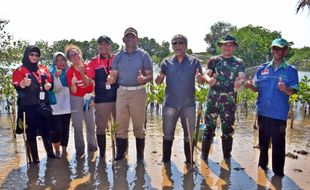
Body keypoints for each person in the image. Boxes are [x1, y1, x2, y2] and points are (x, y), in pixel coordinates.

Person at [245, 37, 299, 177]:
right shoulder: (262, 68)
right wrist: (250, 86)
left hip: (279, 114)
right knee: (262, 144)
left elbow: (293, 91)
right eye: (273, 48)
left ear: (285, 50)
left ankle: (278, 174)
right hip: (262, 113)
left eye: (279, 48)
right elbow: (256, 88)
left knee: (278, 147)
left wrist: (285, 89)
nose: (275, 51)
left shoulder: (290, 70)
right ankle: (262, 171)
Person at [155, 34, 204, 163]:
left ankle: (189, 162)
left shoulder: (194, 61)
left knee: (189, 136)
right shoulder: (166, 62)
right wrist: (159, 77)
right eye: (175, 43)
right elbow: (158, 82)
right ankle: (166, 162)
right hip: (170, 105)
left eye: (180, 43)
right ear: (172, 46)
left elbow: (201, 81)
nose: (177, 45)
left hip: (189, 105)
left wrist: (200, 78)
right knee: (168, 135)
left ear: (186, 46)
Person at [107, 27, 153, 162]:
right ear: (123, 39)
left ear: (137, 39)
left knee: (139, 127)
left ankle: (140, 157)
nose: (130, 39)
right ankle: (121, 155)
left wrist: (143, 79)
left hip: (138, 92)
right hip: (122, 92)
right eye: (128, 37)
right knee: (120, 125)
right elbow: (114, 75)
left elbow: (150, 75)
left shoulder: (144, 55)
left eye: (133, 37)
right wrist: (111, 79)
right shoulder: (118, 56)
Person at [201, 34, 245, 161]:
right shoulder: (213, 60)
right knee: (208, 126)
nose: (227, 47)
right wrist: (209, 80)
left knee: (228, 128)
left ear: (234, 47)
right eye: (225, 45)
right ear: (221, 46)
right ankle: (204, 156)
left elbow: (242, 77)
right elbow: (207, 73)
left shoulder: (238, 62)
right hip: (213, 97)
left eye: (230, 45)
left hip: (229, 99)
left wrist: (240, 82)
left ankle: (227, 157)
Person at [13, 45, 56, 164]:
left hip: (43, 105)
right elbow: (18, 89)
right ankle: (34, 160)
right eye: (31, 54)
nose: (34, 57)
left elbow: (50, 84)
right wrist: (22, 83)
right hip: (28, 107)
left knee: (47, 131)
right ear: (27, 55)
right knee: (30, 134)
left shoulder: (43, 69)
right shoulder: (19, 71)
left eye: (37, 55)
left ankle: (51, 154)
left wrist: (49, 86)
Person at [86, 35, 118, 158]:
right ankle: (103, 155)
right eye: (101, 44)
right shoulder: (93, 62)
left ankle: (120, 153)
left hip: (118, 99)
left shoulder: (117, 59)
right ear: (98, 46)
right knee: (100, 129)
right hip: (101, 101)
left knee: (119, 128)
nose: (103, 46)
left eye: (106, 43)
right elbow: (89, 81)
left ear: (110, 45)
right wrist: (91, 96)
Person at [65, 44, 97, 155]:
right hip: (76, 99)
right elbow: (73, 91)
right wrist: (73, 84)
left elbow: (90, 83)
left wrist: (82, 73)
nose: (75, 57)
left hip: (88, 98)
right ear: (69, 59)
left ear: (80, 53)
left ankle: (92, 148)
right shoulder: (69, 72)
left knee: (90, 124)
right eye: (71, 56)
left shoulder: (88, 66)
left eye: (76, 54)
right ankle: (79, 149)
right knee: (77, 125)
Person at [49, 52, 71, 157]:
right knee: (56, 129)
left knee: (66, 129)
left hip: (68, 104)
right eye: (57, 60)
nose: (61, 62)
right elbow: (56, 89)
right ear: (54, 62)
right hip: (55, 105)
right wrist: (56, 77)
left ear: (66, 60)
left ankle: (64, 149)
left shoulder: (70, 71)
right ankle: (57, 150)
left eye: (63, 59)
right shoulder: (51, 73)